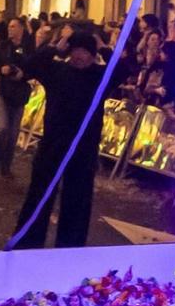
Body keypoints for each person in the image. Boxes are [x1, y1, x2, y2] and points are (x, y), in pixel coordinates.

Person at [12, 27, 108, 247]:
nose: (79, 56)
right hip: (53, 145)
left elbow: (124, 69)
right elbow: (31, 66)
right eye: (76, 50)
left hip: (83, 150)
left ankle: (70, 246)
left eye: (85, 52)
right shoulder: (56, 71)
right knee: (39, 195)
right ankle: (28, 242)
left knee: (77, 200)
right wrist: (56, 46)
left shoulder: (99, 77)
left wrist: (104, 48)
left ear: (93, 55)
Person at [0, 16, 33, 178]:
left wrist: (23, 74)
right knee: (2, 128)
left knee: (13, 133)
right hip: (3, 92)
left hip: (19, 94)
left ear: (21, 28)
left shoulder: (28, 47)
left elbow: (32, 66)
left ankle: (6, 165)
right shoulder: (2, 47)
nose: (10, 29)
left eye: (14, 26)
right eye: (9, 26)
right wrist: (1, 70)